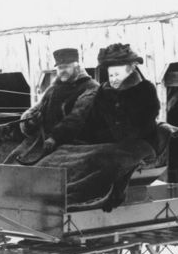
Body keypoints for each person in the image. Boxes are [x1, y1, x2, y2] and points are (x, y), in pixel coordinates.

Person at [37, 43, 164, 210]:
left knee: (104, 159)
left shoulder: (144, 89)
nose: (113, 79)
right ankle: (48, 191)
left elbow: (144, 123)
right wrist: (85, 139)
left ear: (130, 71)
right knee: (67, 153)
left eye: (117, 74)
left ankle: (82, 196)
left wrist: (116, 135)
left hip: (140, 142)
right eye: (111, 75)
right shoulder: (104, 91)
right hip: (108, 142)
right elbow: (93, 120)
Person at [7, 47, 97, 163]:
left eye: (66, 67)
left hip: (74, 144)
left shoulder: (90, 87)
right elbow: (35, 109)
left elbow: (77, 117)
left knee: (45, 171)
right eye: (60, 68)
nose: (62, 71)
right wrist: (30, 121)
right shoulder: (53, 89)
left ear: (77, 67)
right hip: (43, 141)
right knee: (11, 162)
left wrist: (55, 137)